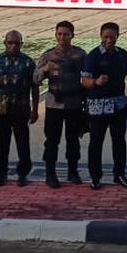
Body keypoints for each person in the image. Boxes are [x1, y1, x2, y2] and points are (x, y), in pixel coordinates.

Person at [82, 22, 127, 189]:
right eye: (106, 37)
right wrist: (96, 82)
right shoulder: (93, 56)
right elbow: (84, 81)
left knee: (119, 141)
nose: (109, 40)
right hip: (98, 107)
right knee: (96, 142)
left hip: (118, 106)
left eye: (112, 37)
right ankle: (95, 176)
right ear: (101, 36)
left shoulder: (122, 55)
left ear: (118, 36)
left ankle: (119, 174)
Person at [34, 20, 88, 187]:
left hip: (74, 103)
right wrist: (45, 70)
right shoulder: (48, 55)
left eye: (66, 34)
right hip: (53, 104)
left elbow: (87, 75)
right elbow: (35, 79)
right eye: (59, 34)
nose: (62, 37)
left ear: (72, 35)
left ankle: (73, 171)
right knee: (51, 141)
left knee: (73, 140)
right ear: (55, 35)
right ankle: (50, 173)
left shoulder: (79, 55)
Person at [0, 30, 39, 186]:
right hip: (1, 109)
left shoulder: (28, 63)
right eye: (10, 43)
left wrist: (35, 109)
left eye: (17, 43)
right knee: (1, 143)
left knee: (23, 143)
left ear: (21, 44)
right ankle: (1, 174)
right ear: (5, 43)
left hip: (21, 108)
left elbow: (35, 87)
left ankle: (23, 173)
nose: (13, 46)